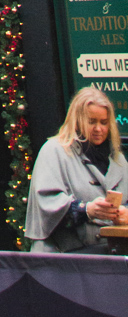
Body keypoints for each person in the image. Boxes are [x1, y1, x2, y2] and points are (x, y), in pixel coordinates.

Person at [24, 86, 128, 253]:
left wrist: (124, 215)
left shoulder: (118, 158)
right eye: (91, 121)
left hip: (110, 253)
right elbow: (48, 206)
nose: (98, 129)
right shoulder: (55, 150)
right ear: (77, 121)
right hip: (64, 255)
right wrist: (86, 210)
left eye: (104, 122)